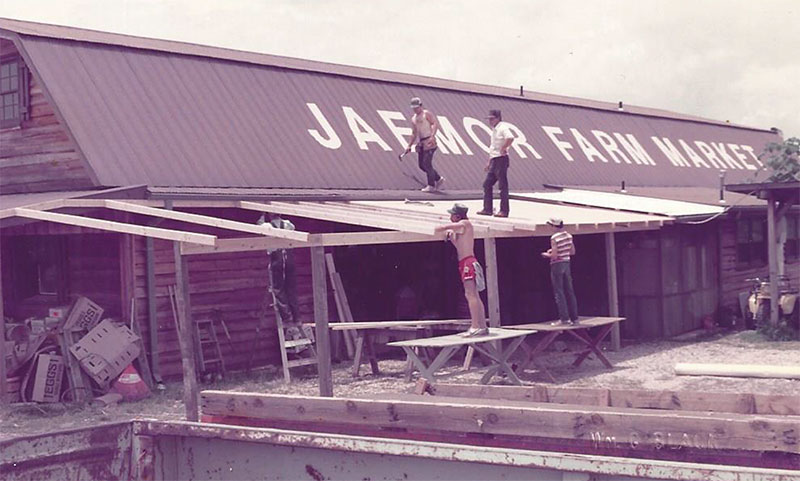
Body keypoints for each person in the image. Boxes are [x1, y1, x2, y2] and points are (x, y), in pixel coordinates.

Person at [434, 203, 489, 337]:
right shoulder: (462, 230)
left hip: (468, 263)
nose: (450, 217)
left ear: (457, 216)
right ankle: (482, 326)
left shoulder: (466, 224)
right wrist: (452, 237)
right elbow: (459, 246)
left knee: (470, 295)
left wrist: (440, 228)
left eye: (452, 215)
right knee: (474, 295)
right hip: (465, 261)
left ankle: (475, 326)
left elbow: (446, 227)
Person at [259, 213, 300, 327]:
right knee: (291, 288)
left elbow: (259, 225)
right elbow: (292, 228)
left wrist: (262, 214)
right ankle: (297, 317)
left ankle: (287, 318)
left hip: (277, 258)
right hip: (289, 257)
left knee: (278, 288)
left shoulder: (267, 226)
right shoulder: (288, 224)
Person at [540, 217, 579, 325]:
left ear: (553, 226)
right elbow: (572, 252)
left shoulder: (554, 237)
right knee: (570, 291)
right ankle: (575, 318)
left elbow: (555, 255)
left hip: (557, 264)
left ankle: (564, 319)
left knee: (559, 291)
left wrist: (546, 254)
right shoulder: (568, 235)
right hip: (567, 263)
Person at [476, 109, 514, 217]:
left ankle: (504, 211)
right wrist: (489, 162)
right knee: (487, 184)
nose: (490, 121)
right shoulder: (495, 130)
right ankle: (487, 209)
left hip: (501, 159)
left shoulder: (502, 127)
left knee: (502, 186)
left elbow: (510, 138)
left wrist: (504, 148)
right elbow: (493, 147)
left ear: (498, 118)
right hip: (494, 159)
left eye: (492, 119)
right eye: (489, 119)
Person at [403, 97, 445, 192]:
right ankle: (438, 178)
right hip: (422, 142)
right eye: (413, 108)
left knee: (427, 163)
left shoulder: (426, 114)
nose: (415, 109)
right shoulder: (413, 118)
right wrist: (409, 145)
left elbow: (434, 123)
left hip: (429, 141)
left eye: (417, 107)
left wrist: (432, 136)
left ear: (421, 106)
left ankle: (431, 185)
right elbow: (414, 133)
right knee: (421, 165)